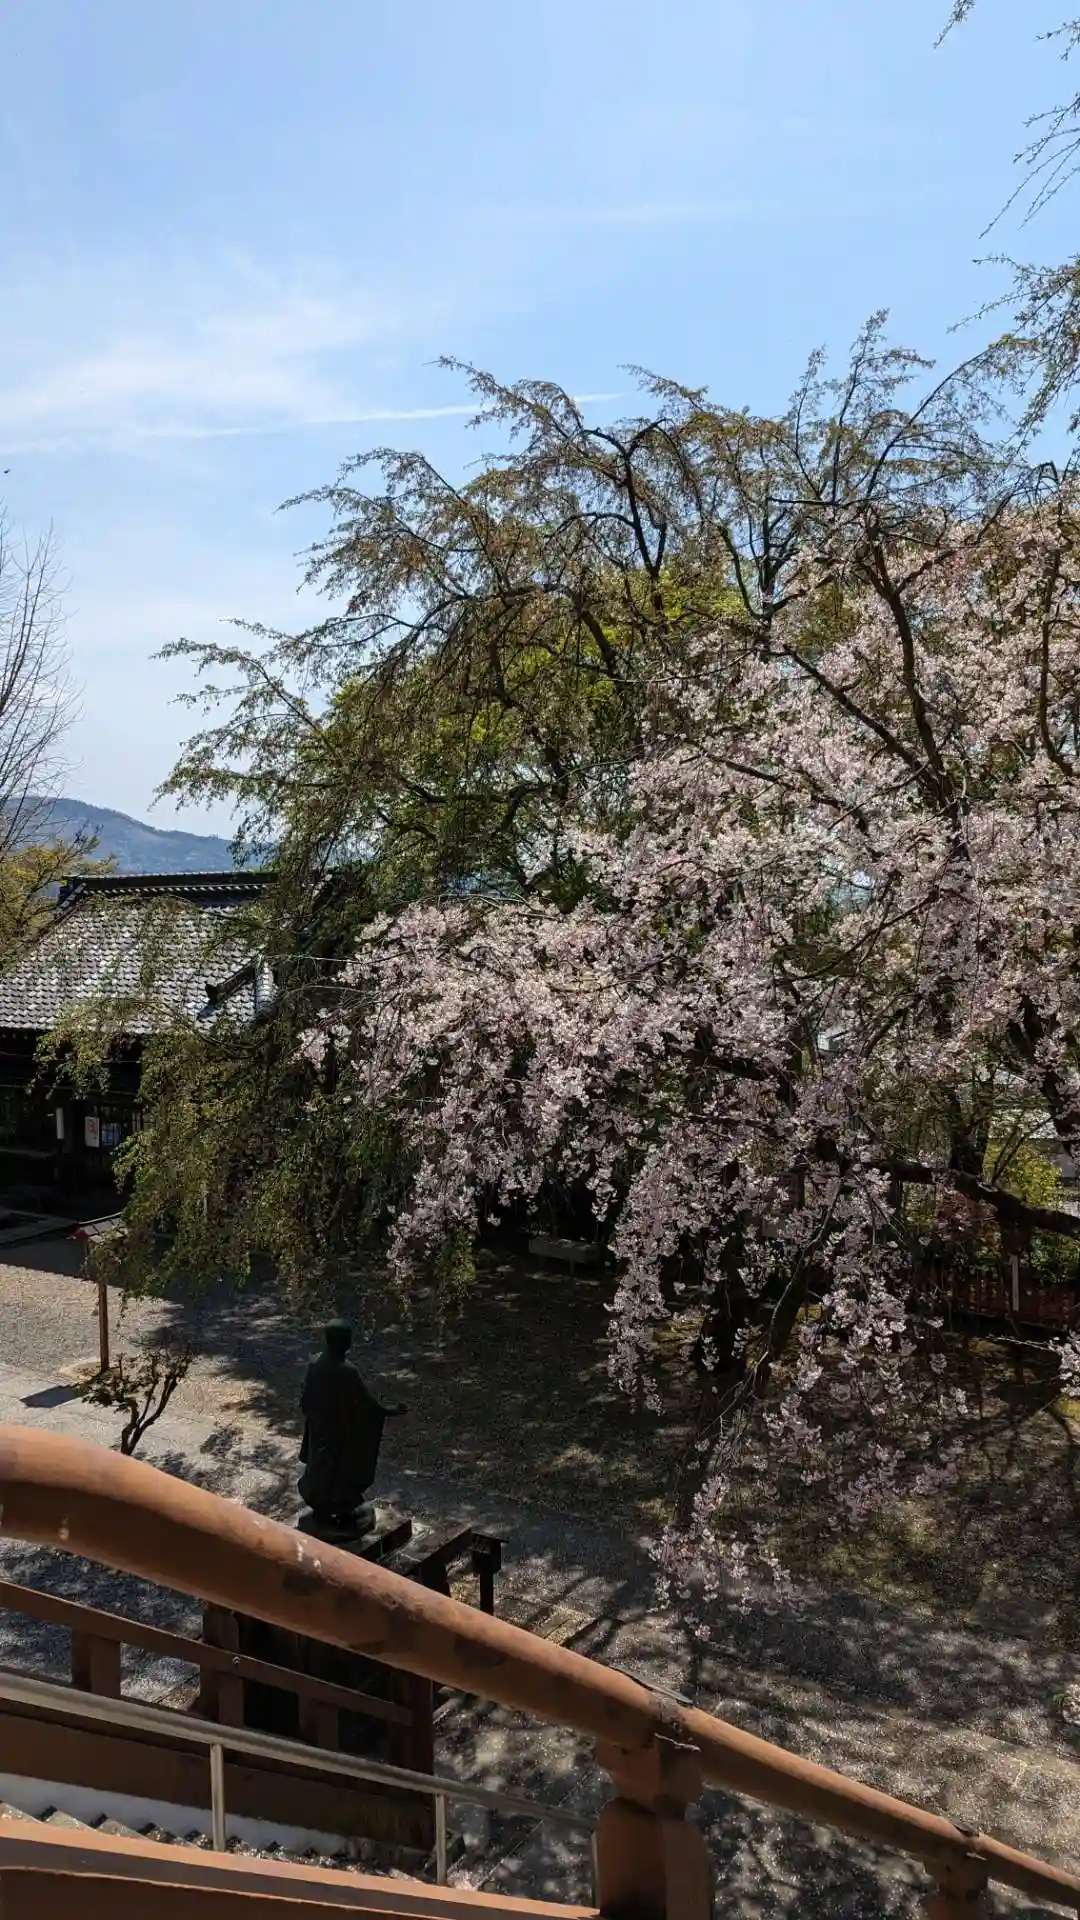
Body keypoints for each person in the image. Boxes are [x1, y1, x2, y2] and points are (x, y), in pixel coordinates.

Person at [298, 1319, 406, 1530]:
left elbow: (306, 1400)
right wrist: (387, 1411)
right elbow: (365, 1404)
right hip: (339, 1437)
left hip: (320, 1434)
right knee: (340, 1476)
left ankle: (324, 1507)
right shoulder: (346, 1371)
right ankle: (339, 1510)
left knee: (320, 1472)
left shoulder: (315, 1364)